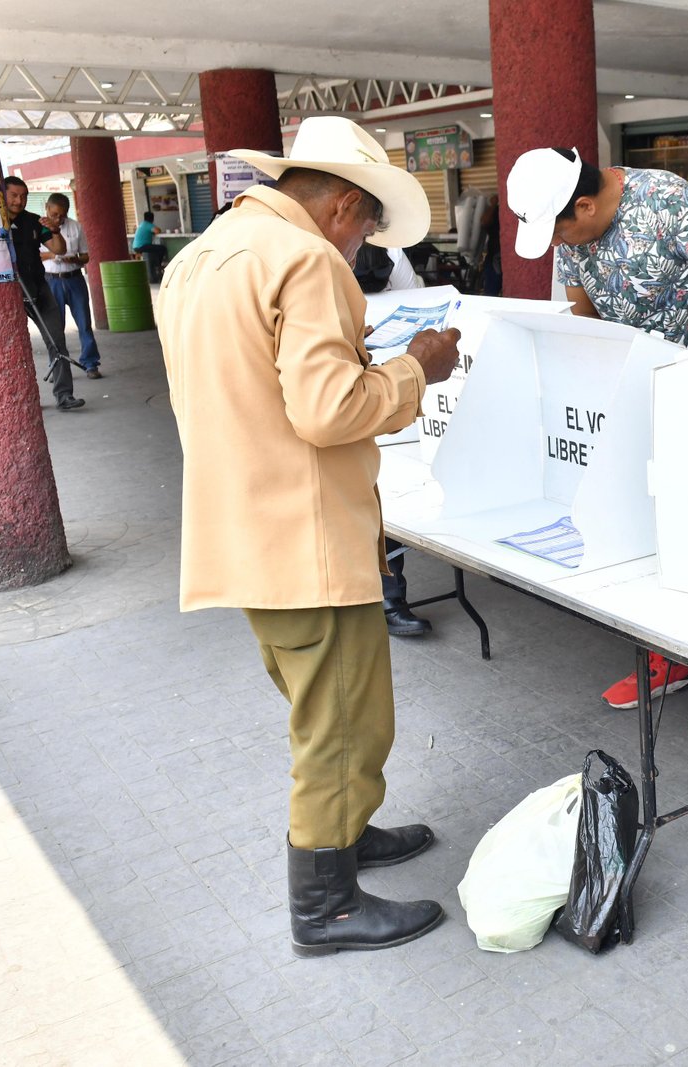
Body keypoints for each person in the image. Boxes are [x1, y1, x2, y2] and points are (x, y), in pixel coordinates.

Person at [157, 116, 463, 957]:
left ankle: (347, 833)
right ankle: (326, 906)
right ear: (342, 204)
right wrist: (416, 368)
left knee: (318, 706)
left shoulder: (202, 256)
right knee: (343, 726)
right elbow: (328, 411)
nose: (366, 241)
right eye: (368, 224)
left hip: (242, 526)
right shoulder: (307, 260)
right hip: (309, 539)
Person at [506, 145, 688, 736]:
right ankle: (670, 656)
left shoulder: (665, 200)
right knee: (651, 536)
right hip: (636, 401)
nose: (561, 248)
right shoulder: (568, 234)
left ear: (585, 203)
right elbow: (582, 319)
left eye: (562, 233)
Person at [353, 239, 435, 638]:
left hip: (391, 372)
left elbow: (419, 302)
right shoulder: (311, 257)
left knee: (389, 489)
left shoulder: (392, 249)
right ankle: (386, 600)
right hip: (346, 383)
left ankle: (388, 597)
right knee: (364, 491)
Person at [3, 176, 82, 411]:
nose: (19, 200)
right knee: (14, 347)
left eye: (23, 196)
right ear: (3, 195)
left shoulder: (34, 221)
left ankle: (64, 395)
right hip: (11, 293)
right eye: (14, 195)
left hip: (40, 287)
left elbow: (59, 249)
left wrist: (55, 230)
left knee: (57, 340)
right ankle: (23, 399)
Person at [41, 192, 103, 379]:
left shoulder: (76, 227)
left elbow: (86, 256)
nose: (58, 218)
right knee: (55, 327)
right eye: (54, 214)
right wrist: (54, 255)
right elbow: (35, 255)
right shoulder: (39, 228)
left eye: (62, 214)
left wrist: (73, 258)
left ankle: (90, 363)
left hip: (74, 279)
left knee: (84, 323)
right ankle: (58, 366)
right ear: (47, 208)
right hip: (51, 280)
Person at [132, 210, 167, 280]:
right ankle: (158, 264)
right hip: (142, 246)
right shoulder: (148, 224)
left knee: (155, 249)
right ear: (152, 219)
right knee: (162, 248)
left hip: (136, 247)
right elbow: (157, 231)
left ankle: (156, 263)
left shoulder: (141, 224)